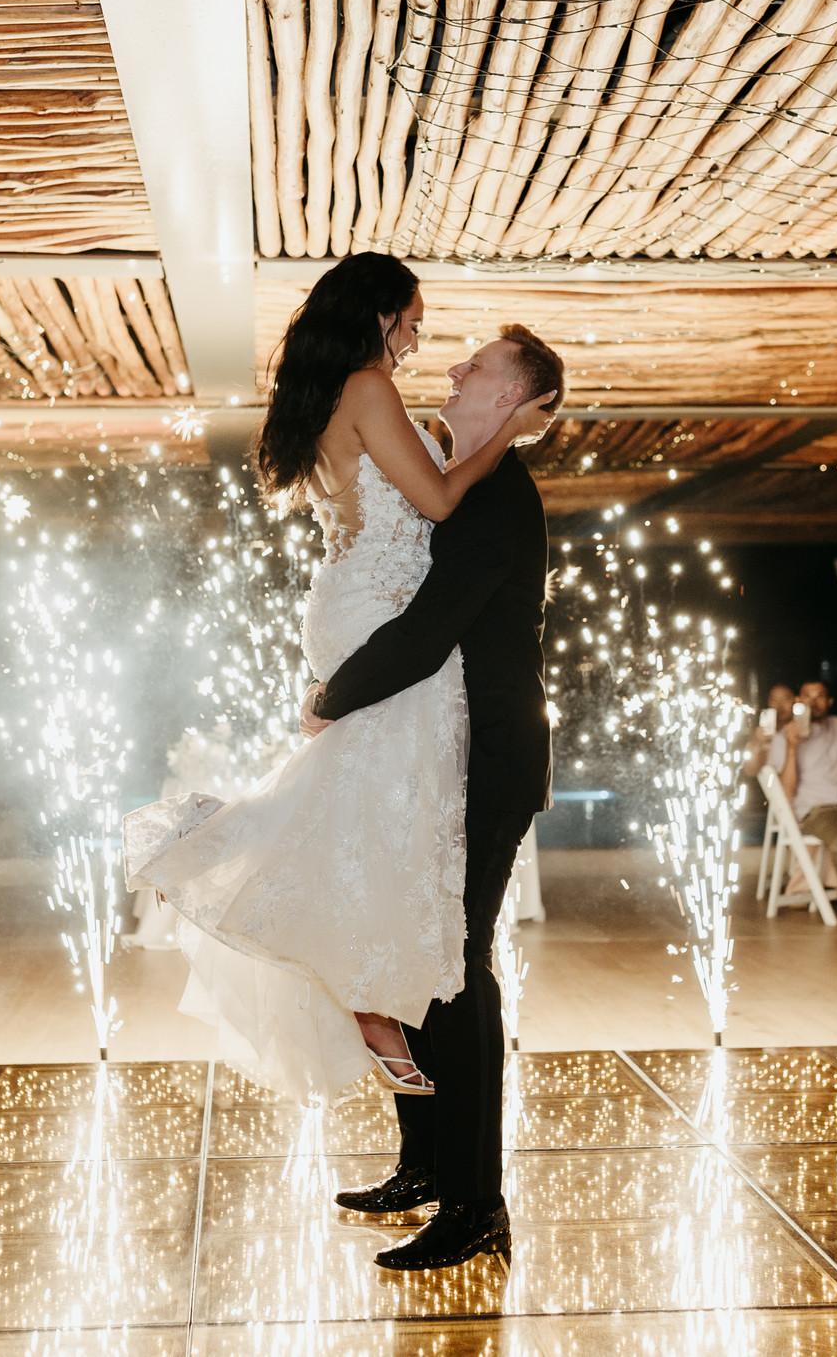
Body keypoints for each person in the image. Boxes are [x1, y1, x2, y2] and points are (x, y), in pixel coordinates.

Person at [123, 252, 557, 1274]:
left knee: (452, 967)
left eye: (472, 367)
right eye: (416, 328)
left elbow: (426, 632)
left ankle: (473, 1200)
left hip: (484, 752)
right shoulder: (434, 449)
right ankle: (426, 1165)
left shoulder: (494, 491)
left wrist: (329, 698)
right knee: (394, 933)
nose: (441, 365)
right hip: (405, 707)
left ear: (520, 397)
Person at [774, 679, 837, 928]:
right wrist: (793, 749)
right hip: (817, 811)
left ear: (830, 702)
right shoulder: (786, 735)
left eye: (820, 697)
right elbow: (785, 791)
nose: (813, 702)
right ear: (798, 700)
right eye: (807, 696)